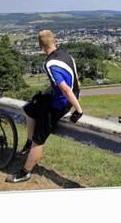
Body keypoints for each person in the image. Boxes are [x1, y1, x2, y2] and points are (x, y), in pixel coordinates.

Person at [6, 30, 83, 183]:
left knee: (38, 139)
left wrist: (78, 110)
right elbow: (71, 82)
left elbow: (65, 89)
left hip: (61, 103)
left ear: (40, 45)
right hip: (64, 95)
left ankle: (25, 172)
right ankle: (28, 143)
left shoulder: (49, 64)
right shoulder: (66, 54)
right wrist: (44, 94)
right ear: (54, 41)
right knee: (29, 109)